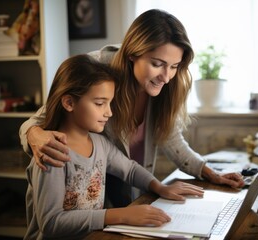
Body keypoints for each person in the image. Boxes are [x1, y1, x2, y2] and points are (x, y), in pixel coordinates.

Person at [19, 9, 244, 208]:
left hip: (126, 197)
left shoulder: (168, 84)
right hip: (77, 202)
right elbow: (37, 121)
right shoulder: (96, 69)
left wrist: (210, 173)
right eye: (157, 64)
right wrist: (35, 135)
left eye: (174, 66)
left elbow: (172, 140)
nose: (166, 77)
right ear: (132, 54)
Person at [24, 54, 205, 239]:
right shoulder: (52, 153)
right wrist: (121, 215)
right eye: (100, 103)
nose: (109, 112)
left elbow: (131, 170)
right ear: (69, 102)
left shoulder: (100, 144)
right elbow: (51, 223)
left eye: (110, 103)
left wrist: (160, 188)